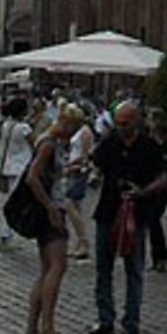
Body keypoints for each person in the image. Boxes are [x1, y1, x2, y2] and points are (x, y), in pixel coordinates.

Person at [87, 99, 167, 334]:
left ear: (136, 121)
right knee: (104, 267)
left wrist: (143, 191)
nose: (121, 127)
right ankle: (105, 318)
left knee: (134, 269)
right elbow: (97, 164)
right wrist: (93, 174)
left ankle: (132, 319)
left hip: (137, 213)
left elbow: (163, 177)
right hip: (107, 211)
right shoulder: (109, 142)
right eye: (118, 122)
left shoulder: (149, 146)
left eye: (125, 122)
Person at [20, 101, 84, 334]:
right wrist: (49, 207)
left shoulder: (49, 141)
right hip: (51, 211)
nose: (73, 133)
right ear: (66, 123)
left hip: (50, 209)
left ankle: (32, 330)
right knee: (57, 268)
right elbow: (32, 177)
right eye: (74, 127)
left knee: (47, 270)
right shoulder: (48, 143)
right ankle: (47, 329)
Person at [0, 94, 34, 249]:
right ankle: (6, 235)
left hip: (9, 165)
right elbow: (35, 142)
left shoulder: (7, 125)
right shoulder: (23, 128)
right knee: (15, 203)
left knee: (13, 201)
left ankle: (8, 234)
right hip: (21, 166)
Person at [145, 111, 167, 273]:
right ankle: (156, 257)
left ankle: (162, 257)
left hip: (164, 182)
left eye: (151, 119)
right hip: (151, 181)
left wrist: (161, 156)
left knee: (154, 218)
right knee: (151, 221)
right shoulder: (149, 138)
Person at [63, 105, 95, 262]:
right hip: (73, 170)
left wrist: (70, 164)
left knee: (69, 204)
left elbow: (85, 155)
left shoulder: (85, 132)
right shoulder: (79, 131)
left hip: (79, 172)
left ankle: (84, 241)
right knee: (76, 207)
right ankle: (78, 242)